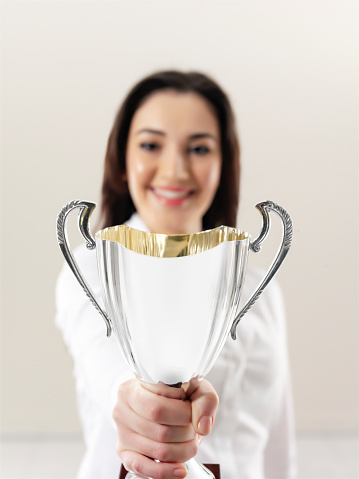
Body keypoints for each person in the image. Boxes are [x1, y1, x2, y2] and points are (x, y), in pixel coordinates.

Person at [56, 70, 296, 479]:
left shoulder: (259, 289)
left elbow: (277, 437)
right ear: (121, 163)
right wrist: (133, 401)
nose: (175, 170)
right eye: (151, 144)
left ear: (223, 165)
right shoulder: (92, 267)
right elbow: (101, 354)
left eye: (199, 149)